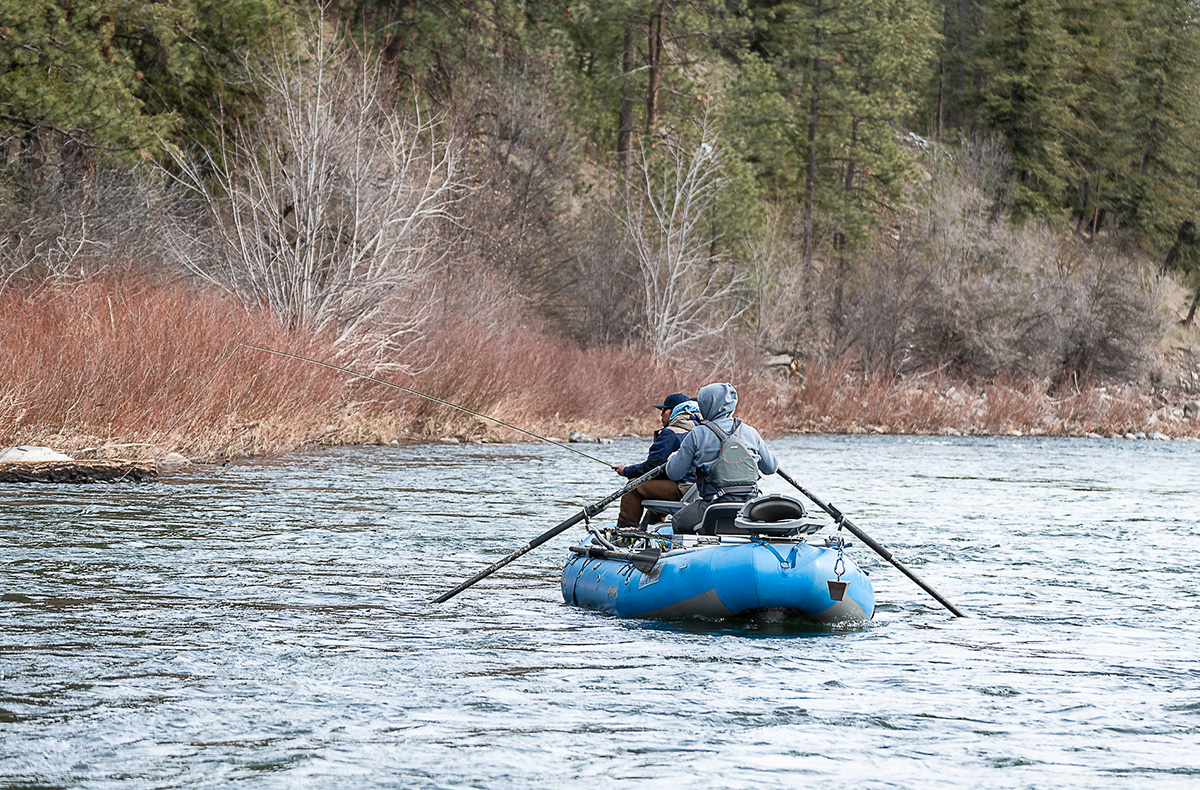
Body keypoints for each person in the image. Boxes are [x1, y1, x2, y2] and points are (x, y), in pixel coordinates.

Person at [664, 382, 777, 534]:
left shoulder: (697, 434)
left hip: (712, 507)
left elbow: (674, 473)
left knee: (678, 521)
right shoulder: (750, 432)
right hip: (749, 508)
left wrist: (673, 458)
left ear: (705, 405)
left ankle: (689, 551)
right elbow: (771, 468)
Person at [611, 393, 699, 530]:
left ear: (676, 410)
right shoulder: (700, 428)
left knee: (633, 486)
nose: (661, 415)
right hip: (698, 490)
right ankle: (648, 528)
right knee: (659, 487)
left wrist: (626, 470)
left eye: (664, 411)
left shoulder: (671, 432)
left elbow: (653, 469)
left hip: (683, 488)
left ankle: (624, 535)